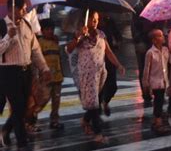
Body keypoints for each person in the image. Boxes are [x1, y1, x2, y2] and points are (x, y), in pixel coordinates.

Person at [0, 0, 51, 151]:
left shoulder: (27, 24)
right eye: (21, 9)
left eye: (24, 9)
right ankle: (22, 143)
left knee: (23, 107)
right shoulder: (2, 25)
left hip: (26, 70)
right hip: (9, 71)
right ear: (11, 9)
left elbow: (35, 49)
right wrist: (9, 36)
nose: (24, 12)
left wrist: (44, 68)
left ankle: (6, 130)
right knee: (17, 106)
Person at [66, 10, 125, 143]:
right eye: (92, 18)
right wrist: (79, 37)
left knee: (96, 100)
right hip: (87, 74)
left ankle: (86, 120)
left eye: (97, 19)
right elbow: (69, 49)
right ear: (85, 20)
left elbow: (108, 52)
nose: (95, 21)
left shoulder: (101, 34)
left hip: (100, 73)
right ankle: (98, 133)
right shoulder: (81, 35)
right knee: (93, 104)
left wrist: (118, 65)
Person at [25, 19, 64, 132]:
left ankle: (54, 121)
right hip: (44, 78)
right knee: (41, 100)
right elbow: (35, 59)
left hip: (57, 77)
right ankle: (30, 120)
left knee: (56, 101)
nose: (50, 31)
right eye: (47, 29)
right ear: (42, 30)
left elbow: (58, 58)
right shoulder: (39, 42)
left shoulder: (55, 41)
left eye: (52, 29)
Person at [142, 29, 171, 132]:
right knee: (158, 101)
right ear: (154, 40)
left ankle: (156, 121)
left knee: (159, 101)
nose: (163, 37)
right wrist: (146, 85)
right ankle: (158, 123)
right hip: (154, 82)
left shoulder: (165, 50)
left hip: (163, 81)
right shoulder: (150, 53)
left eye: (162, 35)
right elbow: (146, 69)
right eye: (160, 36)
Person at [131, 0, 158, 105]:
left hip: (152, 41)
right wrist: (139, 40)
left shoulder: (155, 7)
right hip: (142, 41)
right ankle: (146, 92)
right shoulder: (137, 8)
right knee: (143, 68)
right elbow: (134, 27)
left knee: (154, 67)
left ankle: (153, 90)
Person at [98, 13, 122, 116]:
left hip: (109, 59)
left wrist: (118, 64)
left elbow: (117, 36)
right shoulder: (88, 29)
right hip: (97, 62)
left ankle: (105, 102)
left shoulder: (109, 21)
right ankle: (96, 113)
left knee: (113, 86)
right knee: (99, 88)